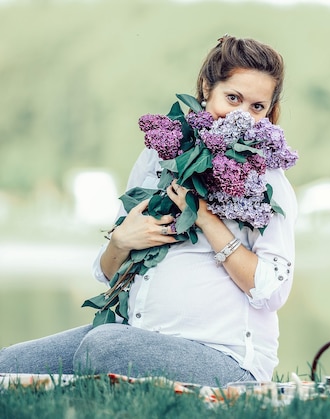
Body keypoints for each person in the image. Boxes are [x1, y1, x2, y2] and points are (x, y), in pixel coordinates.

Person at [0, 35, 297, 386]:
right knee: (8, 364)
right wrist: (121, 240)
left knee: (102, 345)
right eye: (232, 98)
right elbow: (111, 272)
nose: (241, 117)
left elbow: (273, 290)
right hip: (135, 338)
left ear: (270, 112)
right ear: (206, 88)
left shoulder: (265, 178)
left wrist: (204, 217)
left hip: (225, 359)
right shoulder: (160, 157)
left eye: (256, 107)